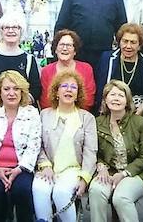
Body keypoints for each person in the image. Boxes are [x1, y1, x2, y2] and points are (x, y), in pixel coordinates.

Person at [33, 72, 97, 222]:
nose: (69, 90)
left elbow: (90, 151)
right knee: (39, 189)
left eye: (73, 87)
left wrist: (84, 178)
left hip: (74, 170)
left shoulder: (87, 118)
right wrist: (45, 165)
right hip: (47, 167)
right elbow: (38, 145)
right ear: (56, 92)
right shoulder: (44, 115)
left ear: (78, 94)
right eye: (65, 86)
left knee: (60, 193)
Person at [0, 70, 39, 221]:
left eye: (16, 89)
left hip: (21, 168)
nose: (11, 93)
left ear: (22, 91)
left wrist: (18, 170)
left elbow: (34, 146)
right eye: (6, 89)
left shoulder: (31, 113)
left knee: (23, 191)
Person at [89, 80, 143, 222]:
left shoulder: (140, 123)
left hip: (135, 173)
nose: (116, 98)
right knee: (96, 191)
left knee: (121, 198)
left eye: (120, 95)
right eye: (112, 95)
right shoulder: (97, 122)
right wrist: (101, 167)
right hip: (108, 171)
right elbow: (93, 151)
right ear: (105, 99)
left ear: (127, 100)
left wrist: (123, 174)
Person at [0, 13, 41, 108]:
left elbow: (36, 88)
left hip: (20, 113)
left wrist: (16, 106)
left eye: (15, 27)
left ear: (21, 31)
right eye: (7, 27)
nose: (11, 31)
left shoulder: (29, 59)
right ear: (1, 31)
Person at [95, 23, 143, 116]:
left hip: (137, 114)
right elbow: (99, 87)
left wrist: (139, 112)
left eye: (133, 42)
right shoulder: (106, 59)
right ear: (119, 42)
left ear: (140, 45)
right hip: (109, 112)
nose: (128, 46)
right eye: (125, 41)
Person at [39, 29, 96, 111]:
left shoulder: (86, 69)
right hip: (53, 116)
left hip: (79, 115)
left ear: (75, 51)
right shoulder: (46, 71)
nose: (64, 48)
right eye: (61, 45)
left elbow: (89, 99)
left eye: (69, 45)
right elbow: (45, 100)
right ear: (55, 49)